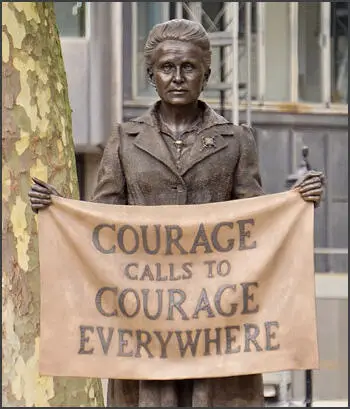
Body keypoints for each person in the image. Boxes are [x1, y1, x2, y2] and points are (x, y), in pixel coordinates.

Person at [29, 19, 325, 407]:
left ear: (206, 72)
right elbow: (103, 224)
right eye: (167, 68)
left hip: (218, 320)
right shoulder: (125, 140)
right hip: (145, 324)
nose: (178, 77)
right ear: (152, 74)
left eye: (188, 67)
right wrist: (61, 210)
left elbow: (255, 225)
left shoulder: (236, 140)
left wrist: (295, 203)